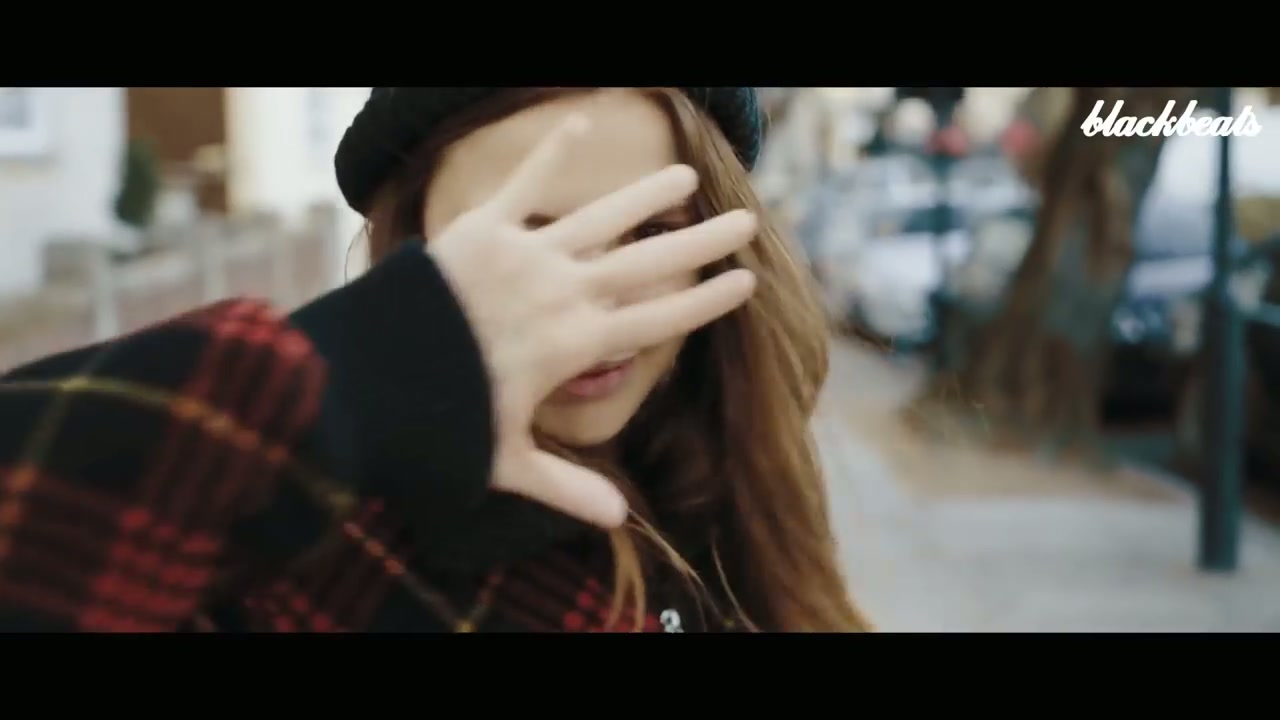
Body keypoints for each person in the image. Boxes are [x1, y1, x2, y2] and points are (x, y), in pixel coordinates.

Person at [0, 87, 869, 632]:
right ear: (413, 247)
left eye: (650, 235)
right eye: (531, 240)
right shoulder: (319, 550)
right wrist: (353, 376)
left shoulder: (723, 476)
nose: (596, 304)